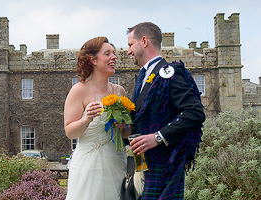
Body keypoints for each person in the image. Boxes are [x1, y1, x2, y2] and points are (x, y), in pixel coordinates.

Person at [127, 22, 206, 199]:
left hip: (164, 166)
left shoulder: (169, 73)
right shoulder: (143, 76)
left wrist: (157, 137)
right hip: (144, 166)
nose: (128, 51)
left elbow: (195, 112)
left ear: (144, 41)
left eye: (130, 45)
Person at [64, 37, 129, 200]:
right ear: (93, 59)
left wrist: (124, 127)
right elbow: (70, 132)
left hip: (116, 162)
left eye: (114, 53)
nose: (114, 57)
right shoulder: (78, 90)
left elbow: (126, 134)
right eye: (107, 54)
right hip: (88, 166)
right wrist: (86, 119)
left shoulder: (120, 92)